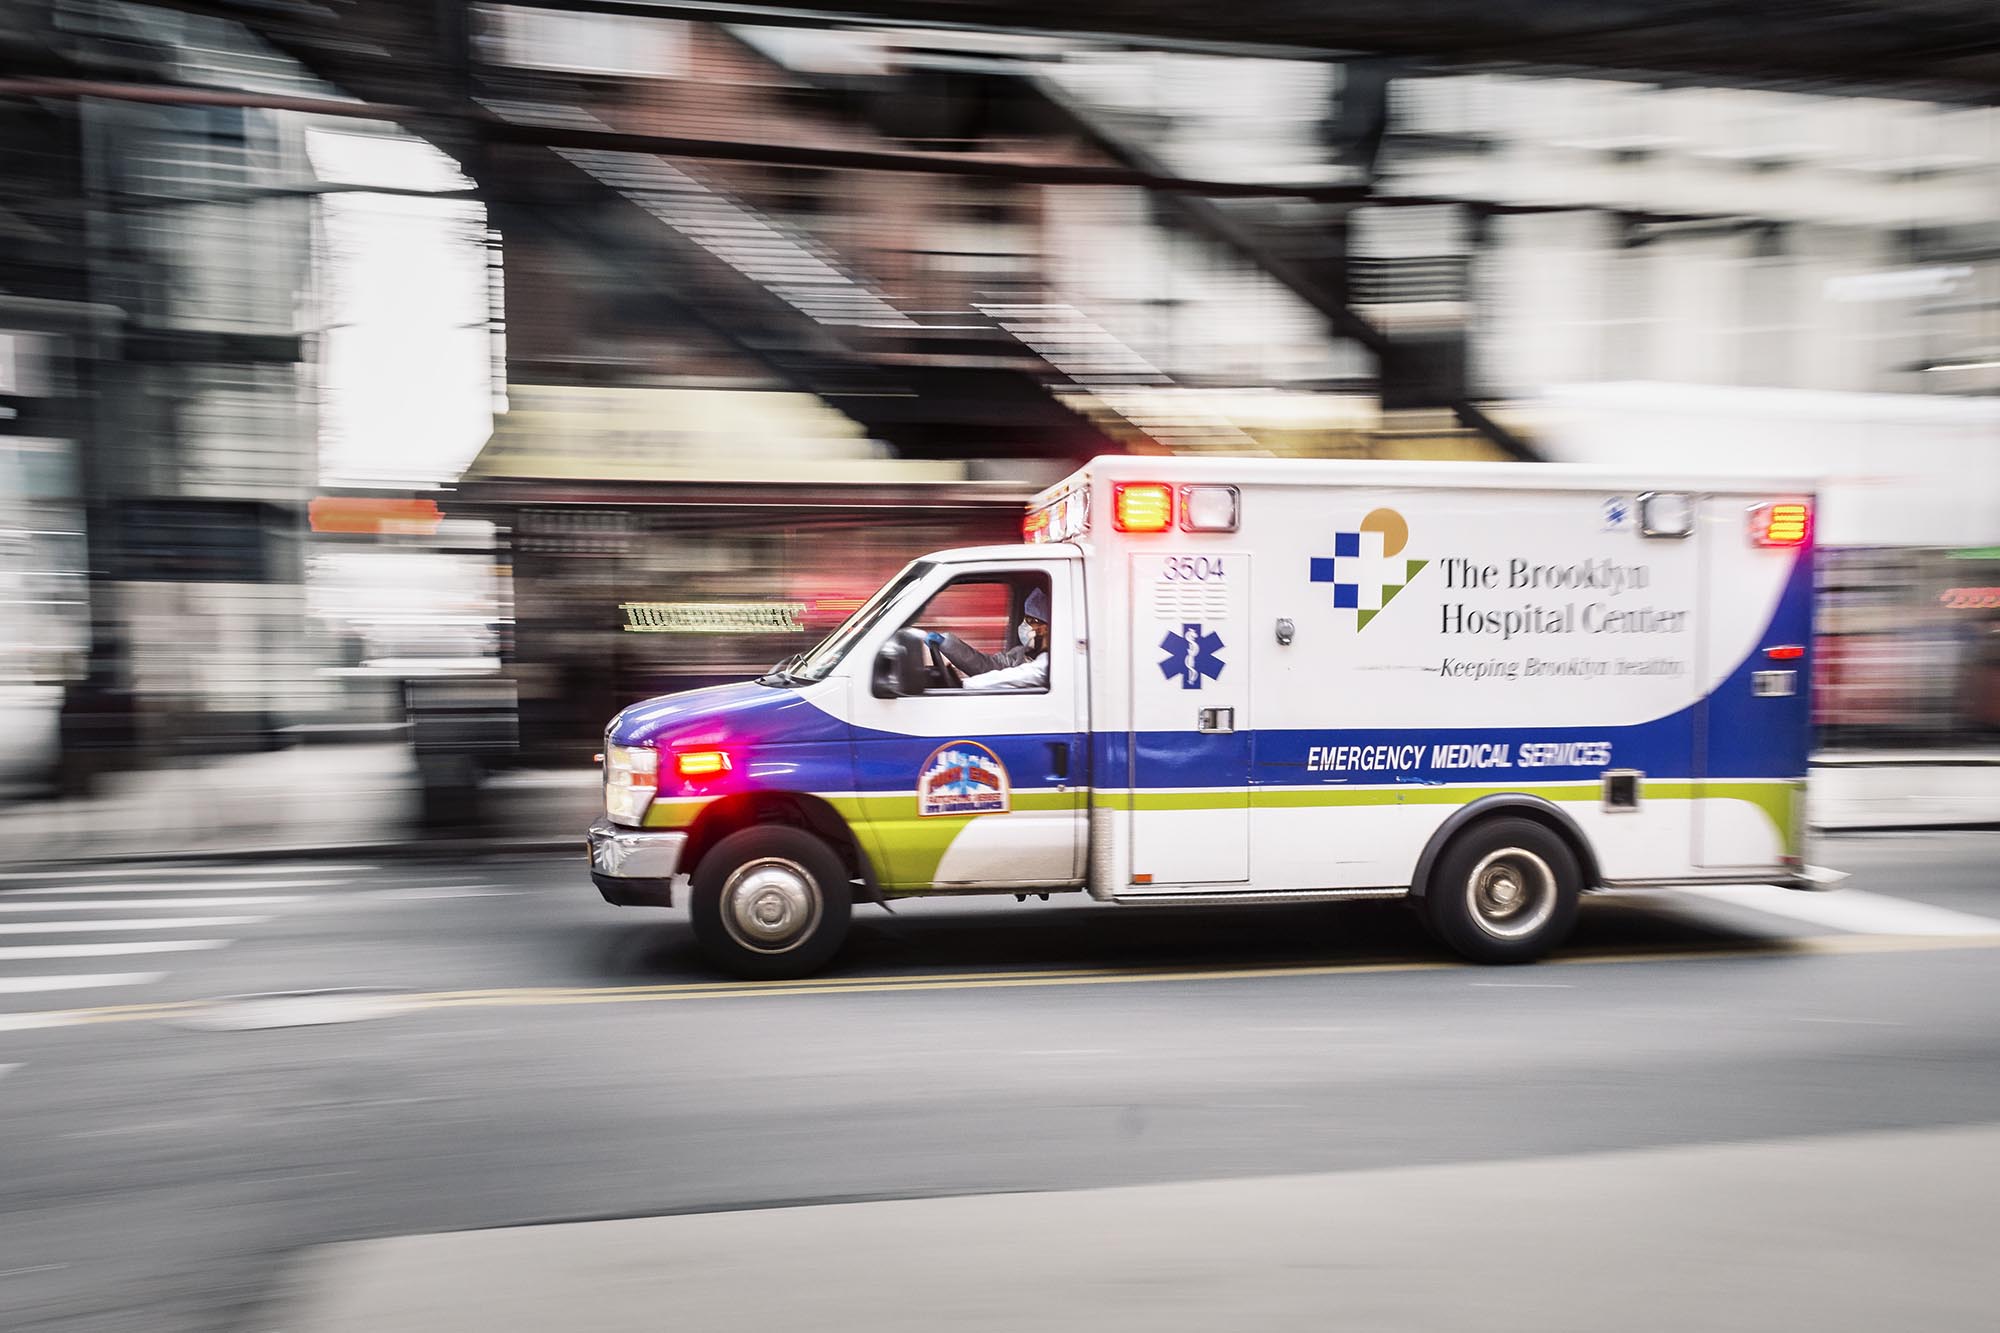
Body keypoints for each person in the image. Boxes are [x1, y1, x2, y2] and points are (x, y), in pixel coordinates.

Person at [928, 587, 1049, 691]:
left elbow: (1027, 675)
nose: (1024, 624)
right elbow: (989, 665)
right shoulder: (1022, 652)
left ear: (1046, 627)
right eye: (1025, 618)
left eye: (1030, 621)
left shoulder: (1051, 661)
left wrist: (966, 684)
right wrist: (948, 644)